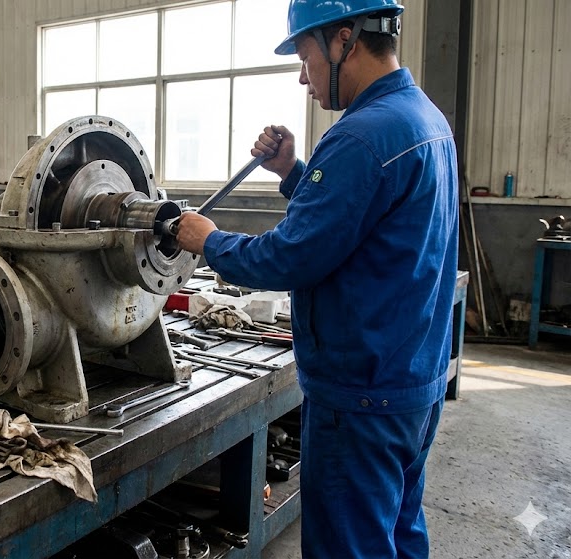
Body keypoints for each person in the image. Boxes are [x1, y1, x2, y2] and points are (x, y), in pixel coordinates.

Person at [175, 1, 459, 557]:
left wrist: (209, 241)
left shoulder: (361, 136)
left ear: (344, 39)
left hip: (360, 397)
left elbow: (290, 258)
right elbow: (358, 219)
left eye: (305, 57)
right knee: (398, 531)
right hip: (411, 383)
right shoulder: (423, 118)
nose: (303, 77)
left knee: (348, 546)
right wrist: (291, 172)